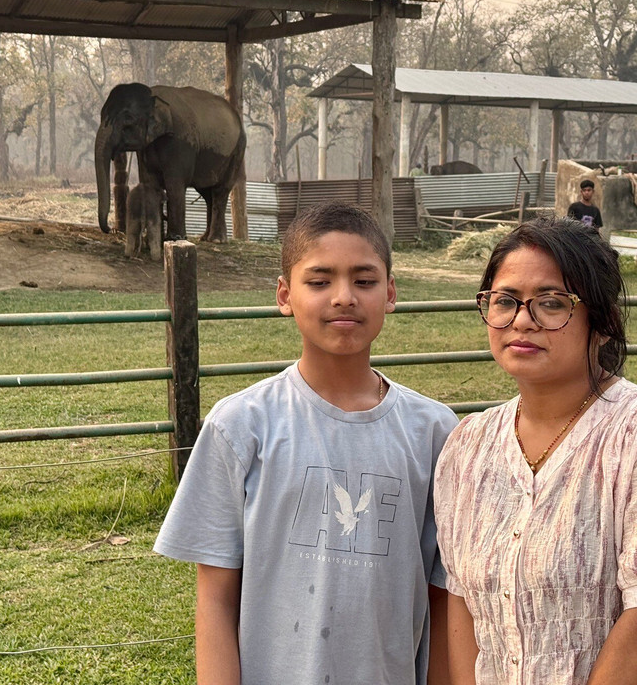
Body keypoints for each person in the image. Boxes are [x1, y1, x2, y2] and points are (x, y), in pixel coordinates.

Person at [154, 202, 459, 685]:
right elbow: (214, 598)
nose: (343, 297)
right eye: (319, 281)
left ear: (391, 292)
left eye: (364, 280)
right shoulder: (240, 427)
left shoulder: (436, 433)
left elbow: (444, 597)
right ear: (284, 294)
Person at [433, 217, 637, 685]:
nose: (522, 321)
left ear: (602, 321)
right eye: (505, 301)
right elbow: (462, 605)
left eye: (553, 303)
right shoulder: (467, 447)